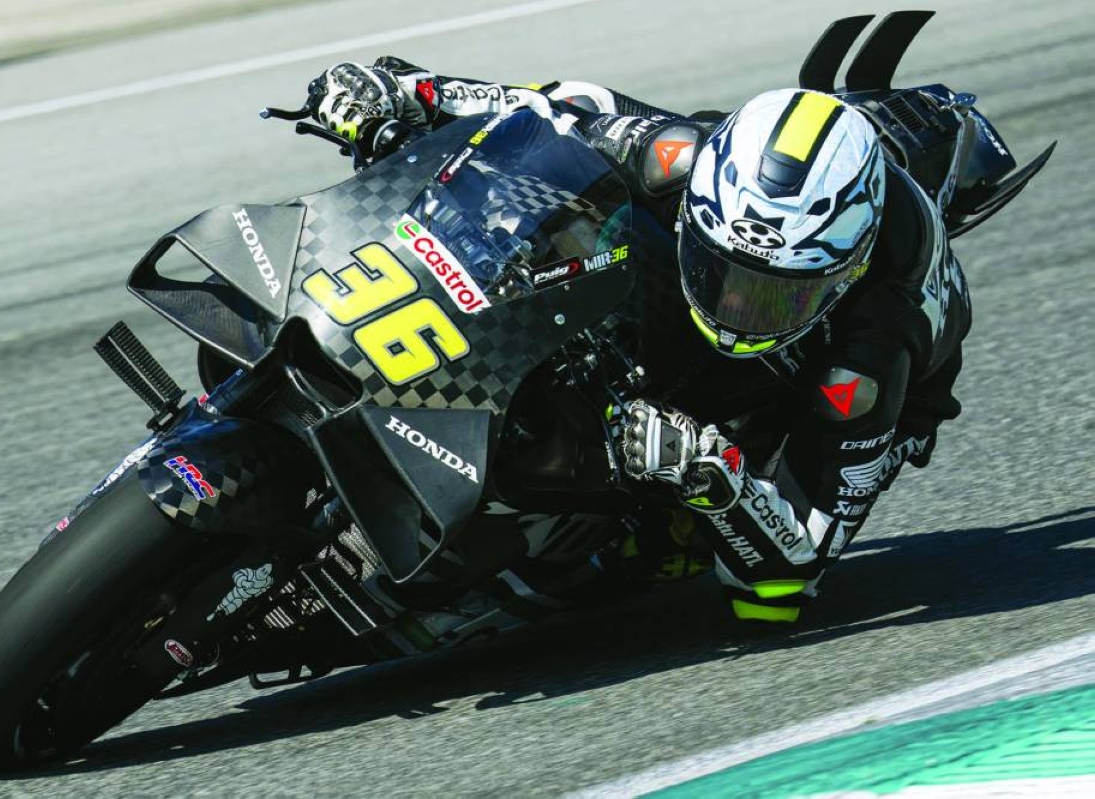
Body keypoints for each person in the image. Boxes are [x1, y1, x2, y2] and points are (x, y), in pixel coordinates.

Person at [303, 59, 970, 623]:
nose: (735, 306)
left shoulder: (872, 353)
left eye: (771, 295)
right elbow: (555, 109)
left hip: (799, 399)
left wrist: (717, 481)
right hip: (690, 281)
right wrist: (410, 92)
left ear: (841, 276)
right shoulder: (680, 156)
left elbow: (786, 581)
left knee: (638, 552)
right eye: (720, 272)